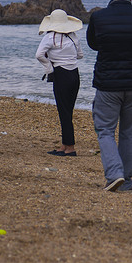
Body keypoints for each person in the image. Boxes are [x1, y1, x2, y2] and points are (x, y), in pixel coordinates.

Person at [86, 0, 132, 191]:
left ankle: (114, 174)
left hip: (107, 82)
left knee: (105, 129)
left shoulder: (98, 17)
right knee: (130, 132)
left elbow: (93, 44)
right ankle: (127, 180)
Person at [35, 9, 84, 157]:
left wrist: (49, 67)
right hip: (74, 74)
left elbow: (39, 55)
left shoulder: (50, 37)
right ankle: (65, 144)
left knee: (64, 111)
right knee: (68, 110)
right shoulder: (73, 36)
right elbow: (80, 55)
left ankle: (70, 148)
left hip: (60, 74)